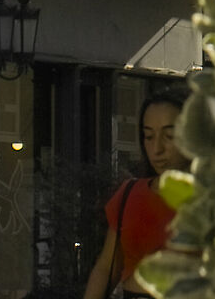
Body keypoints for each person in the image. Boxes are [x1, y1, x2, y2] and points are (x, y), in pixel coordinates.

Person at [82, 86, 193, 299]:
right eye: (148, 136)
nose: (157, 148)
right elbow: (106, 267)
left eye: (169, 136)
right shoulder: (130, 194)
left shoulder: (214, 200)